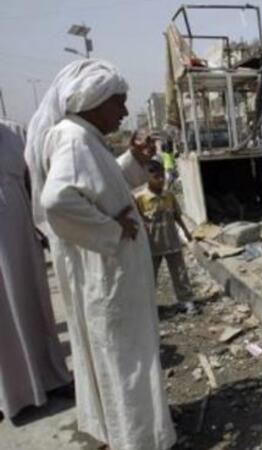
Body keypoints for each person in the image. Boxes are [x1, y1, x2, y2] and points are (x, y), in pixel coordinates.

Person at [24, 59, 176, 450]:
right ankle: (136, 440)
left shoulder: (83, 136)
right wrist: (111, 229)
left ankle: (129, 434)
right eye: (118, 102)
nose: (124, 111)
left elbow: (101, 185)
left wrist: (133, 161)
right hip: (107, 272)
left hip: (111, 271)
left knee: (122, 357)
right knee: (125, 358)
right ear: (93, 100)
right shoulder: (74, 138)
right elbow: (57, 201)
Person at [0, 119, 72, 421]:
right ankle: (8, 397)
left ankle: (50, 378)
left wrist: (43, 228)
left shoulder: (15, 133)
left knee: (32, 304)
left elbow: (37, 184)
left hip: (19, 235)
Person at [136, 156, 194, 304]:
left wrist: (186, 232)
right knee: (150, 276)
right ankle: (148, 304)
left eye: (162, 175)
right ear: (147, 177)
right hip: (152, 246)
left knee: (180, 273)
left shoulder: (169, 195)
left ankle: (186, 300)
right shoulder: (140, 199)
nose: (161, 180)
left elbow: (177, 216)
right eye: (156, 177)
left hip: (172, 242)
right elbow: (137, 221)